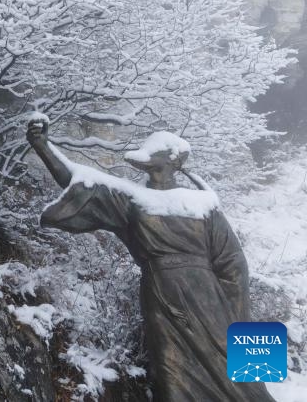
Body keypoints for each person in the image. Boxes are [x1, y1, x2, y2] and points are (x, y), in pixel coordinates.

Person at [26, 118, 276, 401]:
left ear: (171, 160)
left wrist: (238, 316)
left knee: (236, 373)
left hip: (211, 300)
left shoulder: (203, 203)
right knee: (171, 369)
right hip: (162, 294)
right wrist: (43, 147)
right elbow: (82, 183)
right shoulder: (134, 200)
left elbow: (234, 262)